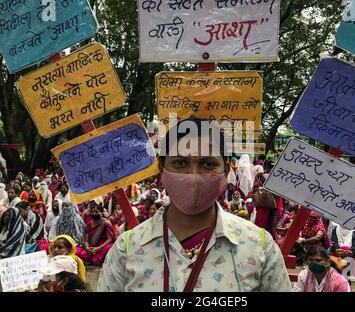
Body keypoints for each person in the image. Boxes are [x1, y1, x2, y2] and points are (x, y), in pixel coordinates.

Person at [98, 118, 291, 292]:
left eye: (208, 164)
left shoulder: (259, 247)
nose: (193, 176)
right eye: (180, 163)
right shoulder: (127, 249)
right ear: (161, 168)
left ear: (225, 170)